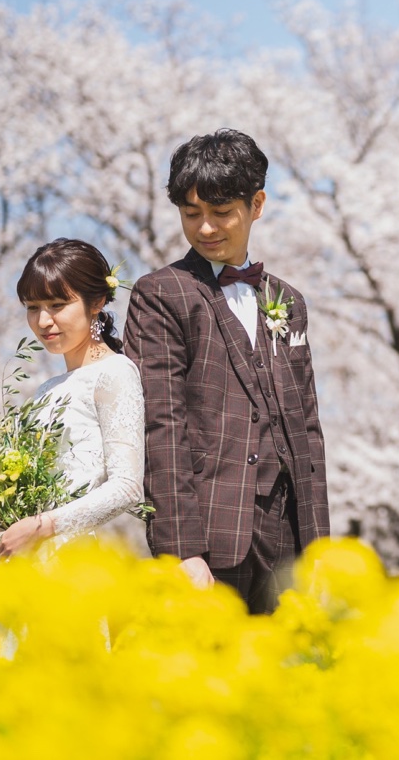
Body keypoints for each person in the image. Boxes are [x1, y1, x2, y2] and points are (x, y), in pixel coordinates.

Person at [125, 129, 329, 613]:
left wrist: (320, 551)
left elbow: (307, 430)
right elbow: (161, 425)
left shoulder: (289, 302)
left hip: (288, 540)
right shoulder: (161, 295)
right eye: (191, 214)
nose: (206, 228)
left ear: (257, 204)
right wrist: (181, 550)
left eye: (221, 213)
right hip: (210, 538)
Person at [0, 239, 146, 558]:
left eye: (57, 305)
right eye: (32, 307)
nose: (43, 321)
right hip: (36, 560)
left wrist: (41, 525)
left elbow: (127, 487)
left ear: (97, 302)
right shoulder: (45, 389)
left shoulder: (115, 373)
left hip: (83, 560)